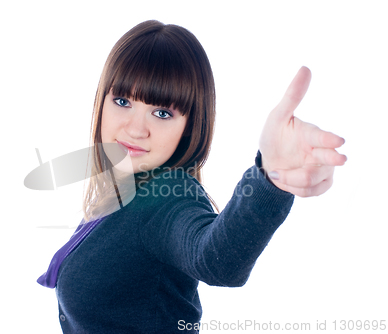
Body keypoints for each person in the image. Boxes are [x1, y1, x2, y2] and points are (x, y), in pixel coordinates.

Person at [37, 20, 347, 333]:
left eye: (162, 113)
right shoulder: (120, 191)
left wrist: (271, 176)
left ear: (190, 125)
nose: (135, 129)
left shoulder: (167, 195)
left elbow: (217, 259)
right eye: (122, 101)